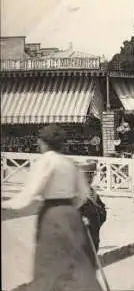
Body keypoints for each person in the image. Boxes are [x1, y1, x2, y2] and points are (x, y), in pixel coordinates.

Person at [3, 124, 102, 291]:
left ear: (44, 143)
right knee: (74, 262)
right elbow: (83, 195)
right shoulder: (69, 163)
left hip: (52, 215)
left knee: (50, 263)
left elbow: (29, 193)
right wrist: (71, 208)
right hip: (71, 215)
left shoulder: (45, 162)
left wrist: (7, 204)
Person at [77, 160, 107, 265]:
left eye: (91, 175)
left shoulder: (92, 192)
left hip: (93, 237)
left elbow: (103, 212)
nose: (90, 179)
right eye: (86, 176)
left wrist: (97, 215)